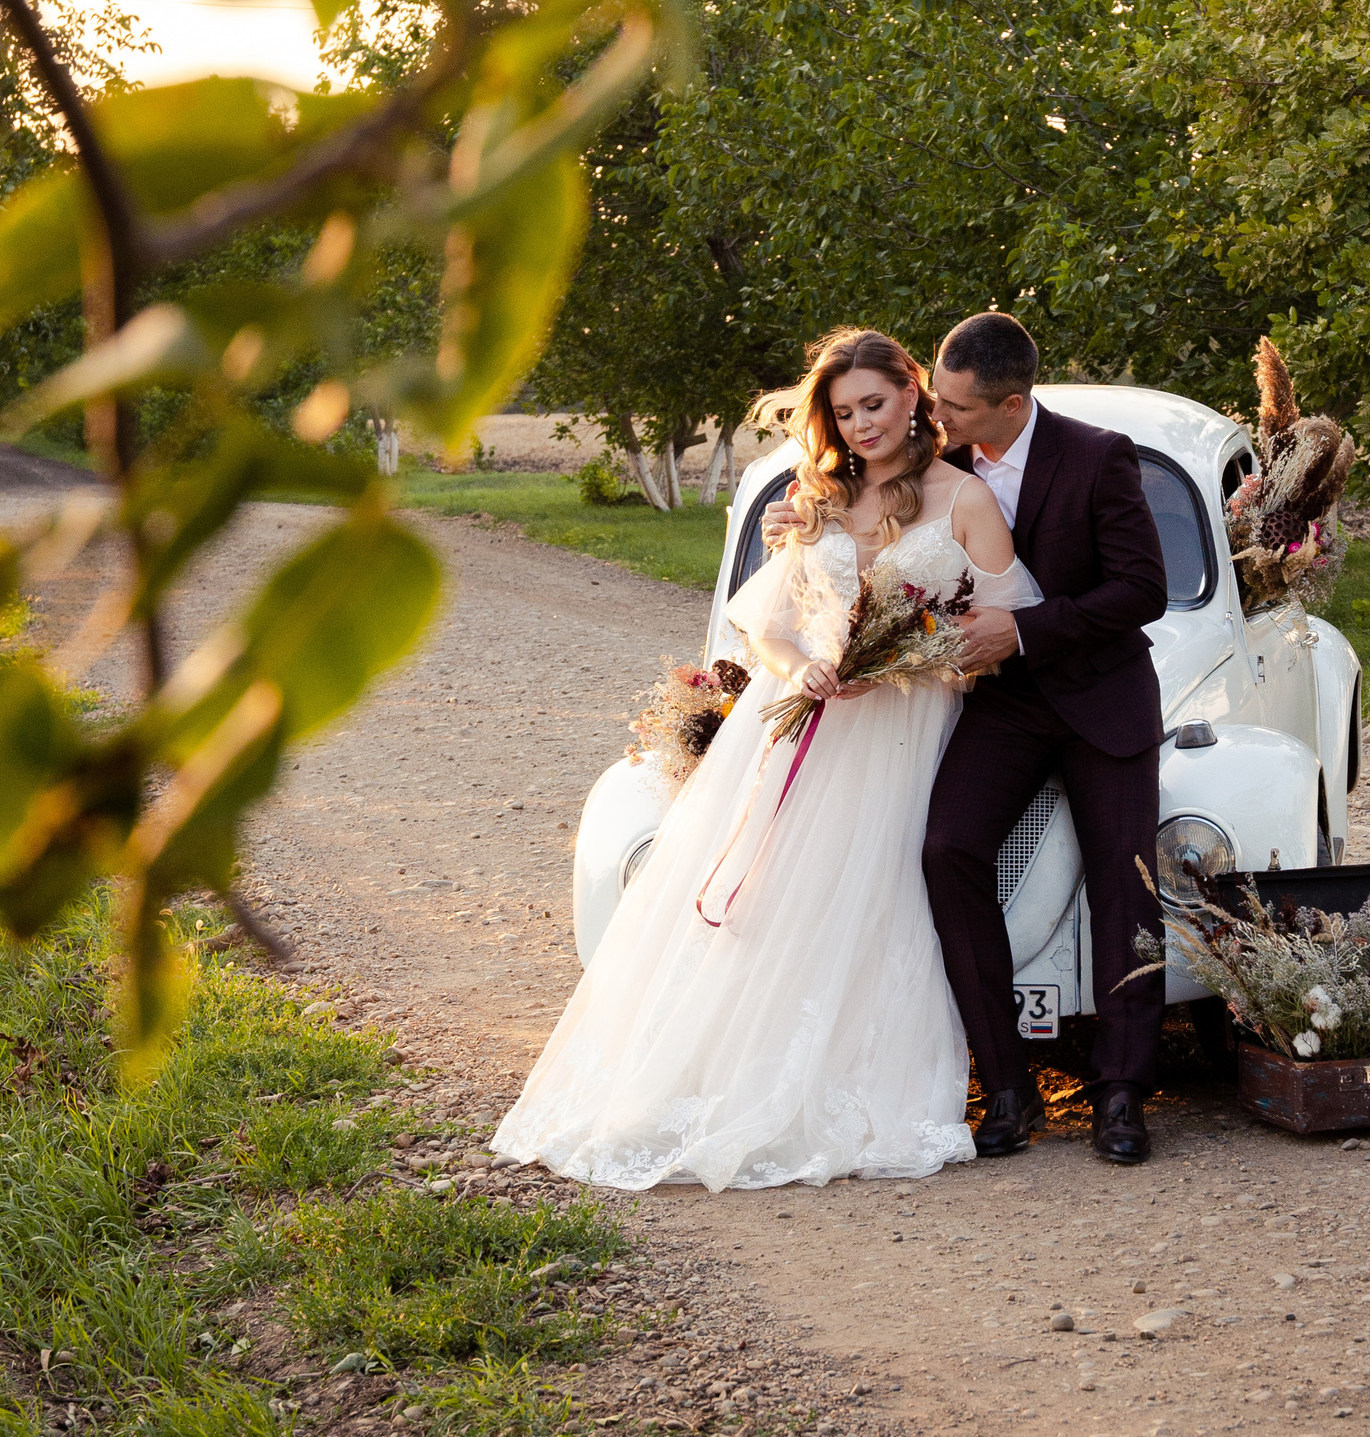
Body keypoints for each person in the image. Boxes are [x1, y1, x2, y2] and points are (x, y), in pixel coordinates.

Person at [489, 329, 1036, 1191]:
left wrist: (913, 658)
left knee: (876, 895)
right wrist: (802, 665)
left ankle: (853, 1080)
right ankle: (731, 1074)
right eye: (845, 411)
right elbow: (768, 623)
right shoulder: (812, 497)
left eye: (876, 403)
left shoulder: (964, 497)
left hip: (900, 727)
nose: (861, 424)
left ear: (912, 393)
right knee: (770, 896)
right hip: (797, 721)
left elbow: (1002, 632)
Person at [766, 312, 1170, 1165]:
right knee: (947, 848)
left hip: (1101, 697)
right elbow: (865, 518)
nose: (936, 419)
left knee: (1125, 883)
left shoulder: (1100, 455)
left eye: (954, 407)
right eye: (934, 403)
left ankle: (1124, 1090)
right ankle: (1010, 1083)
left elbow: (1141, 590)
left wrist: (1024, 632)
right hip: (1001, 704)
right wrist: (798, 526)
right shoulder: (935, 466)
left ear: (1011, 404)